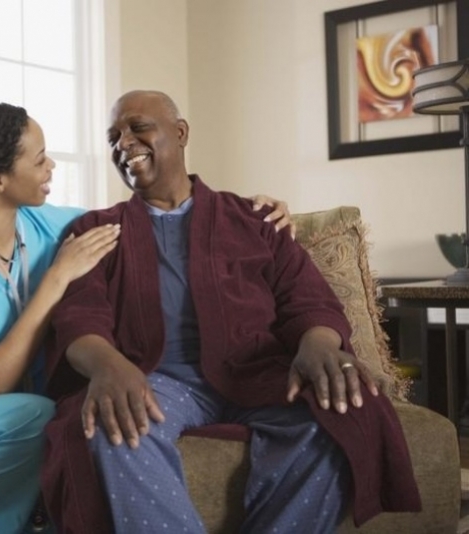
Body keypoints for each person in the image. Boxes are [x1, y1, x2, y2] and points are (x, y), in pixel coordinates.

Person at [0, 97, 296, 534]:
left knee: (51, 426)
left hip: (12, 427)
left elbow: (150, 215)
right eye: (38, 160)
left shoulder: (49, 225)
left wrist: (250, 210)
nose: (51, 166)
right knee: (39, 416)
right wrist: (56, 278)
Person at [40, 90, 422, 534]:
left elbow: (308, 298)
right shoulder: (95, 229)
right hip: (153, 378)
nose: (123, 142)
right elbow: (78, 316)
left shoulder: (255, 220)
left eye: (138, 127)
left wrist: (318, 345)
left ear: (180, 133)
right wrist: (109, 366)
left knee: (342, 417)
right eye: (113, 136)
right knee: (114, 426)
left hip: (254, 372)